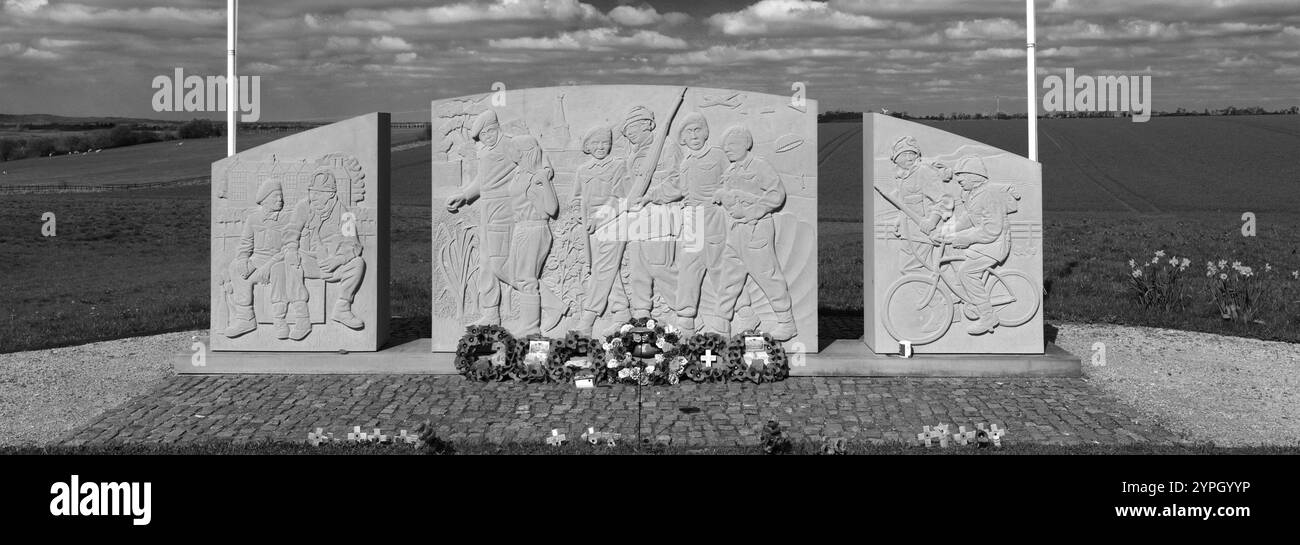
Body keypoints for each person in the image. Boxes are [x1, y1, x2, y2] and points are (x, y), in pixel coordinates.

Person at [445, 110, 551, 326]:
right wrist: (465, 195)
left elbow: (542, 163)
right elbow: (483, 181)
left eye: (486, 134)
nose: (485, 139)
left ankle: (552, 303)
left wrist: (540, 179)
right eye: (481, 136)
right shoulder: (485, 151)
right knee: (486, 261)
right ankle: (491, 312)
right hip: (487, 208)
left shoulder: (513, 145)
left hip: (505, 209)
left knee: (500, 264)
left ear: (494, 129)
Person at [636, 112, 727, 335]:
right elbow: (676, 187)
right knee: (689, 267)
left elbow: (732, 180)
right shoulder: (686, 162)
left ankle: (733, 316)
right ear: (683, 138)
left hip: (713, 218)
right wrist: (650, 196)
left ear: (706, 133)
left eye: (698, 130)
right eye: (688, 132)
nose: (694, 135)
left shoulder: (717, 156)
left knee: (719, 268)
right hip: (692, 220)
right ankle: (686, 319)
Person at [712, 126, 796, 340]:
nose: (727, 150)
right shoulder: (730, 171)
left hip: (755, 228)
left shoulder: (759, 166)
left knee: (767, 275)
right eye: (724, 147)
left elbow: (776, 195)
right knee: (729, 279)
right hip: (735, 231)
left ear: (745, 144)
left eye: (731, 145)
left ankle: (787, 323)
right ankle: (721, 327)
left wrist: (751, 211)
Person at [282, 169, 367, 340]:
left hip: (333, 264)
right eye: (311, 192)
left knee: (358, 263)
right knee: (290, 261)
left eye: (318, 193)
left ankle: (342, 308)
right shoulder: (303, 207)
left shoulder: (344, 213)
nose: (313, 197)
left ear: (331, 194)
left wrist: (338, 259)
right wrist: (291, 250)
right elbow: (291, 233)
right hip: (308, 260)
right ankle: (302, 318)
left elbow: (353, 244)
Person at [935, 155, 1013, 335]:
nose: (959, 180)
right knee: (956, 259)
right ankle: (965, 295)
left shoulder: (989, 195)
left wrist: (965, 238)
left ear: (975, 176)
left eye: (962, 176)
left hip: (995, 244)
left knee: (967, 272)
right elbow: (969, 217)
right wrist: (948, 231)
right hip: (985, 243)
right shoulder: (972, 194)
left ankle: (988, 316)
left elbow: (992, 230)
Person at [620, 105, 681, 321]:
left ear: (647, 124)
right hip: (638, 218)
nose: (629, 134)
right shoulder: (632, 152)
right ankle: (641, 315)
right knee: (638, 268)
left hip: (660, 215)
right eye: (626, 131)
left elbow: (679, 182)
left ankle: (684, 312)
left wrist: (651, 195)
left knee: (660, 266)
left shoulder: (666, 147)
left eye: (632, 128)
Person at [570, 125, 632, 336]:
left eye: (605, 143)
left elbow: (621, 198)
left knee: (603, 269)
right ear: (587, 146)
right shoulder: (583, 170)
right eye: (595, 143)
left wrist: (600, 217)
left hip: (612, 222)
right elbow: (577, 197)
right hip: (592, 227)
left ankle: (588, 318)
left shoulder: (617, 166)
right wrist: (580, 213)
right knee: (605, 269)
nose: (601, 147)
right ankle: (622, 313)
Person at [223, 177, 291, 339]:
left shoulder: (288, 219)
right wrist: (242, 259)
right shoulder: (253, 219)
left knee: (278, 270)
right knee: (235, 267)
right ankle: (245, 318)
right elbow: (246, 243)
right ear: (265, 200)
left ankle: (280, 319)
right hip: (257, 260)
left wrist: (270, 265)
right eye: (276, 196)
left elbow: (290, 247)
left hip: (278, 260)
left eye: (281, 196)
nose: (280, 200)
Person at [505, 135, 558, 336]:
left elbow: (552, 209)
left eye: (514, 149)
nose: (510, 151)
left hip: (535, 228)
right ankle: (555, 307)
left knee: (527, 279)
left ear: (523, 152)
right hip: (522, 228)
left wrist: (544, 178)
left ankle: (530, 328)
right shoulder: (519, 173)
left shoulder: (537, 177)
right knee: (517, 277)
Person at [889, 136, 955, 273]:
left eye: (912, 154)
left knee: (911, 269)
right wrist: (898, 220)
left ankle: (934, 294)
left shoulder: (924, 171)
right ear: (896, 158)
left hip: (923, 232)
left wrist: (932, 221)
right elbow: (907, 203)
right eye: (905, 154)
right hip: (908, 232)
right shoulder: (903, 177)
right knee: (908, 269)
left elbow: (945, 200)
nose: (909, 158)